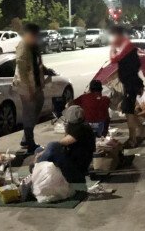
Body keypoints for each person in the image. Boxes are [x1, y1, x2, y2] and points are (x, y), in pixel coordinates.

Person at [33, 106, 95, 183]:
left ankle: (36, 169)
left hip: (76, 170)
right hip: (71, 162)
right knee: (38, 149)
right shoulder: (78, 126)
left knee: (52, 146)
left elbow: (61, 143)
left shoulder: (81, 129)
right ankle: (39, 171)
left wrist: (43, 152)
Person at [13, 23, 48, 152]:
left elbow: (38, 63)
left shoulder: (34, 46)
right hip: (25, 86)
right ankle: (29, 143)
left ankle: (25, 138)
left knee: (37, 108)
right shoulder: (23, 46)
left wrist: (45, 70)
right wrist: (29, 90)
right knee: (29, 113)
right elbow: (22, 71)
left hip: (36, 84)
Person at [109, 26, 144, 148]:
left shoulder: (126, 45)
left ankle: (132, 138)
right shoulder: (127, 46)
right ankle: (141, 130)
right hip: (129, 83)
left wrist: (112, 48)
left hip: (131, 83)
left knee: (128, 110)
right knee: (128, 108)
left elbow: (114, 59)